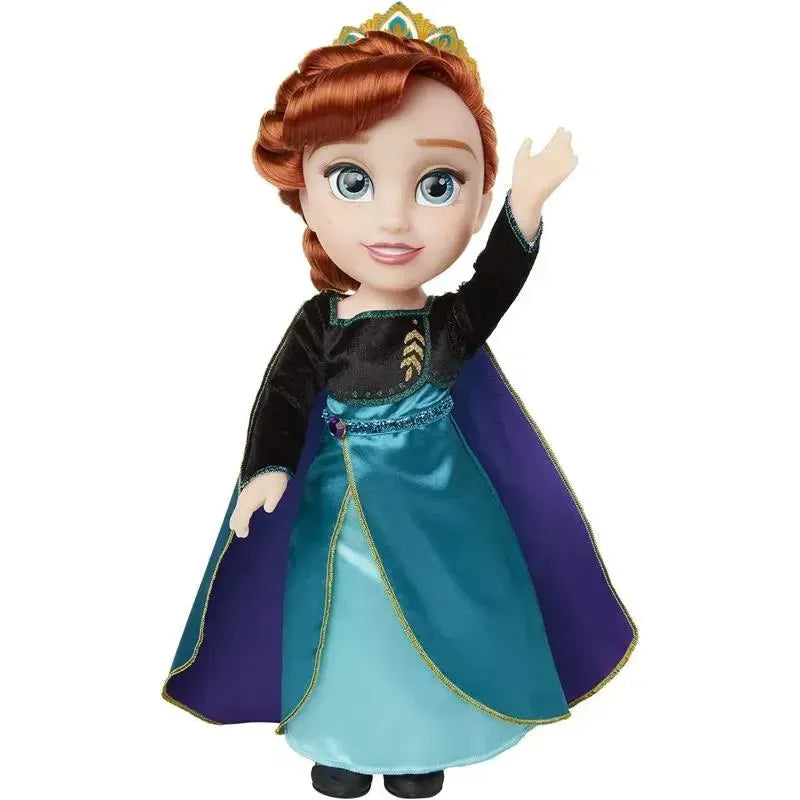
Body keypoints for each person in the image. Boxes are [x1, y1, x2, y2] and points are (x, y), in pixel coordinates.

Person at [162, 5, 637, 798]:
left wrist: (526, 205)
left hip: (441, 506)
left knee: (443, 615)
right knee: (349, 619)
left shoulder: (446, 324)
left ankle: (422, 743)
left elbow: (494, 286)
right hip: (339, 509)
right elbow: (282, 397)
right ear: (304, 192)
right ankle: (345, 742)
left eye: (437, 184)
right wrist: (269, 468)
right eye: (352, 181)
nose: (393, 218)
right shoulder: (321, 322)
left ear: (474, 199)